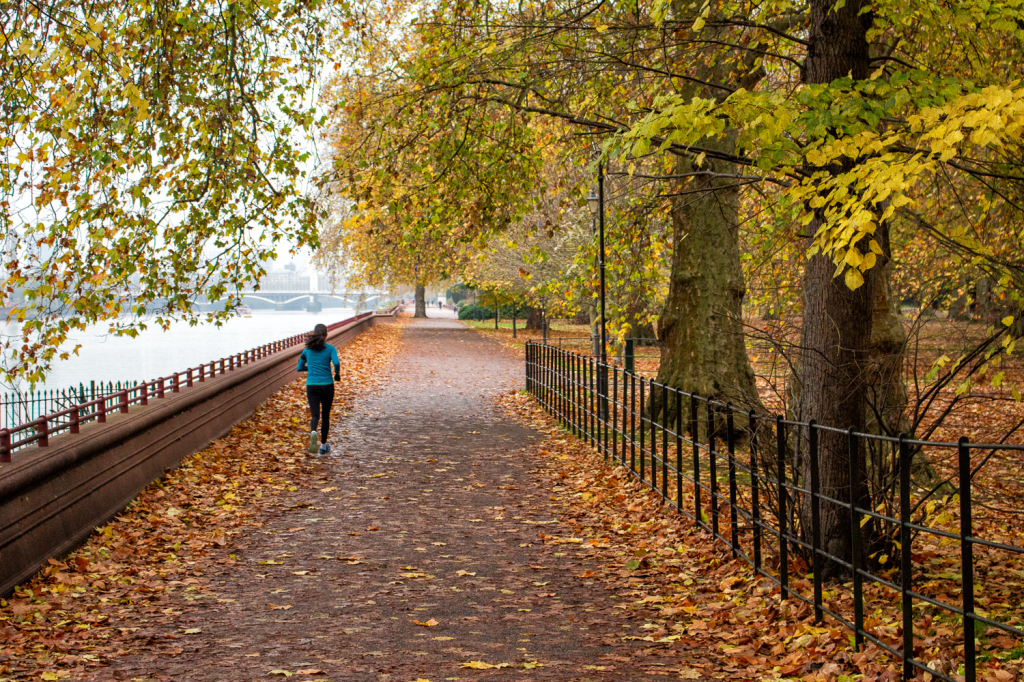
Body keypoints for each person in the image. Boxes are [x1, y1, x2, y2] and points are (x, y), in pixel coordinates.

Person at [296, 323, 340, 454]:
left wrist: (312, 368)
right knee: (325, 416)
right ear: (326, 335)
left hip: (312, 385)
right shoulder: (330, 349)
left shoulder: (306, 350)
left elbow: (299, 368)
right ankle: (323, 446)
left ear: (314, 334)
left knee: (315, 415)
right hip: (327, 385)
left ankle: (313, 431)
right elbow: (336, 363)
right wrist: (337, 374)